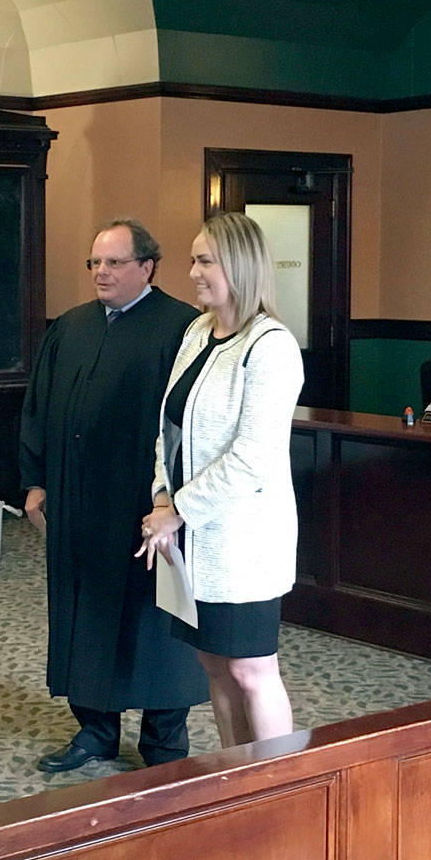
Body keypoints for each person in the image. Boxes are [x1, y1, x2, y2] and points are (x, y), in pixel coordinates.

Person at [20, 218, 208, 772]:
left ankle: (164, 744)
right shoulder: (71, 327)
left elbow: (189, 425)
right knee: (86, 614)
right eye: (95, 263)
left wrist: (171, 502)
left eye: (114, 262)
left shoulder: (183, 328)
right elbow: (38, 407)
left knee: (155, 622)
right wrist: (35, 482)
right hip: (78, 503)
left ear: (147, 266)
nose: (101, 272)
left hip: (146, 506)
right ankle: (95, 731)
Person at [139, 211, 304, 749]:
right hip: (191, 537)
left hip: (242, 542)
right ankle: (238, 780)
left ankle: (281, 784)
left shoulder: (271, 345)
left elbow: (252, 457)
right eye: (193, 259)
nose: (192, 272)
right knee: (214, 665)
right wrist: (162, 494)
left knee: (252, 670)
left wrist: (175, 510)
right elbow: (168, 428)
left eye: (205, 260)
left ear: (239, 265)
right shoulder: (196, 331)